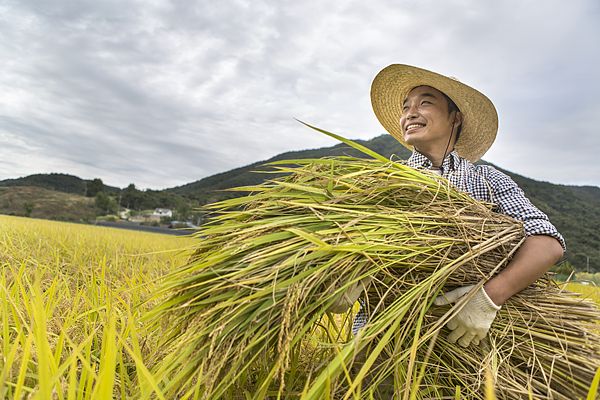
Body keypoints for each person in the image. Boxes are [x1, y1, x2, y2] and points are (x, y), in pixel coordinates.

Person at [349, 64, 566, 349]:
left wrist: (488, 298)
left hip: (464, 346)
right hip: (379, 340)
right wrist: (342, 278)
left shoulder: (487, 180)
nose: (410, 113)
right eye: (406, 107)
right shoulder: (384, 180)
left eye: (425, 103)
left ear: (455, 118)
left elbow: (547, 243)